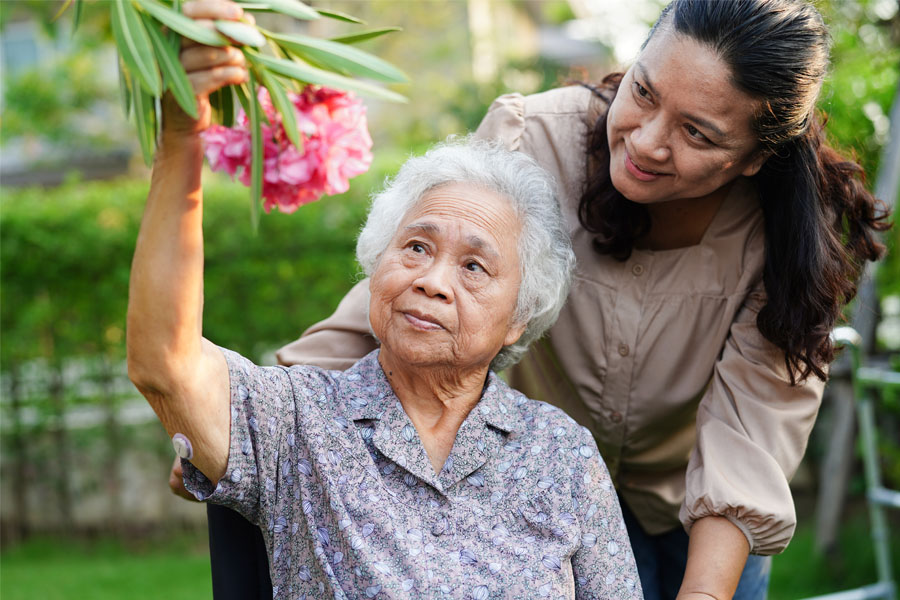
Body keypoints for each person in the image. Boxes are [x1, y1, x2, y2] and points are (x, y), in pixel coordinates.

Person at [274, 1, 891, 598]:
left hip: (698, 514)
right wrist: (264, 424)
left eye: (697, 132)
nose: (647, 142)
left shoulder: (786, 234)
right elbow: (412, 285)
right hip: (539, 492)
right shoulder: (531, 141)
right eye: (643, 93)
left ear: (756, 156)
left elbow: (750, 429)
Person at [127, 6, 643, 590]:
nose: (432, 280)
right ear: (377, 266)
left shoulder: (561, 454)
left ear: (517, 320)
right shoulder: (297, 422)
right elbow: (164, 365)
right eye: (417, 247)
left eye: (473, 265)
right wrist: (181, 137)